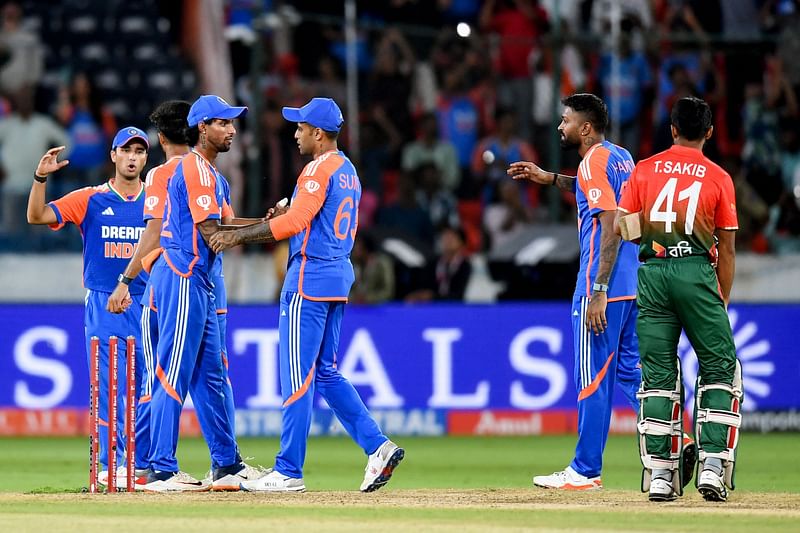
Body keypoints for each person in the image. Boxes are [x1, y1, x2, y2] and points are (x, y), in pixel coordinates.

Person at [210, 97, 404, 493]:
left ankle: (288, 470)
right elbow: (308, 218)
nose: (295, 133)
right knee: (326, 372)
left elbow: (297, 220)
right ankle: (377, 446)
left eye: (300, 127)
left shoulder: (316, 169)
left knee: (297, 378)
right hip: (337, 277)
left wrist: (235, 236)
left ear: (318, 134)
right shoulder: (348, 170)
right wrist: (282, 215)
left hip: (308, 279)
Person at [507, 93, 645, 490]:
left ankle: (585, 470)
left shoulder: (592, 162)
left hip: (599, 286)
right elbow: (614, 206)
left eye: (565, 120)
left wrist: (598, 287)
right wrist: (549, 178)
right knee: (630, 373)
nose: (559, 126)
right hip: (633, 285)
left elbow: (607, 220)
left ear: (585, 128)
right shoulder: (620, 157)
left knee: (593, 378)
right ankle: (673, 441)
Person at [616, 96, 741, 503]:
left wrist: (651, 237)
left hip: (652, 271)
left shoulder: (644, 169)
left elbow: (623, 226)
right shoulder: (718, 176)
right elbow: (728, 245)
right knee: (721, 366)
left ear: (671, 129)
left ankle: (661, 475)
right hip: (696, 273)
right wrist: (719, 298)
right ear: (709, 132)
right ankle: (711, 467)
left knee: (657, 374)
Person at [141, 95, 266, 492]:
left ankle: (226, 466)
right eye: (223, 123)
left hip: (201, 284)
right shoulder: (194, 170)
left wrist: (269, 220)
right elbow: (215, 236)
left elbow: (227, 221)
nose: (231, 130)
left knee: (211, 376)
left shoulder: (214, 175)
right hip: (182, 277)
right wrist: (277, 230)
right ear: (202, 128)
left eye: (232, 123)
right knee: (172, 371)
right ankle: (160, 468)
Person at [26, 127, 149, 487]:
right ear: (113, 156)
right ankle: (110, 466)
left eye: (139, 151)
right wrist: (40, 178)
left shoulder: (156, 202)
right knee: (108, 388)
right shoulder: (91, 198)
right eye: (125, 150)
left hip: (147, 303)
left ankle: (141, 466)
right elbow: (37, 217)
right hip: (103, 303)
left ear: (145, 159)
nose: (132, 157)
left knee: (145, 389)